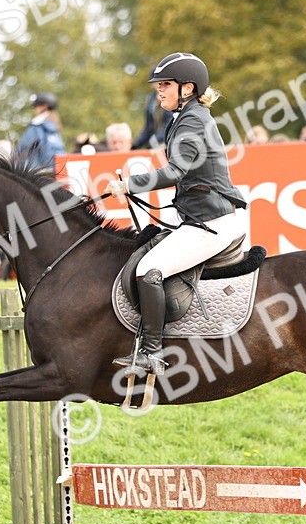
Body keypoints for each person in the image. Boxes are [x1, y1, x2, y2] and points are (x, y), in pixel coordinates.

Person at [106, 52, 249, 376]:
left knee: (149, 269)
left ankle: (152, 354)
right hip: (199, 217)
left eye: (165, 85)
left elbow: (176, 171)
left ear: (188, 88)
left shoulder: (194, 119)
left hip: (212, 222)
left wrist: (129, 184)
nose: (159, 92)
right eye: (158, 86)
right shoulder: (184, 117)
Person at [18, 92, 66, 170]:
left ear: (43, 107)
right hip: (56, 171)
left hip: (38, 172)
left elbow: (23, 146)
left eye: (36, 106)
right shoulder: (55, 127)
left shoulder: (37, 125)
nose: (35, 109)